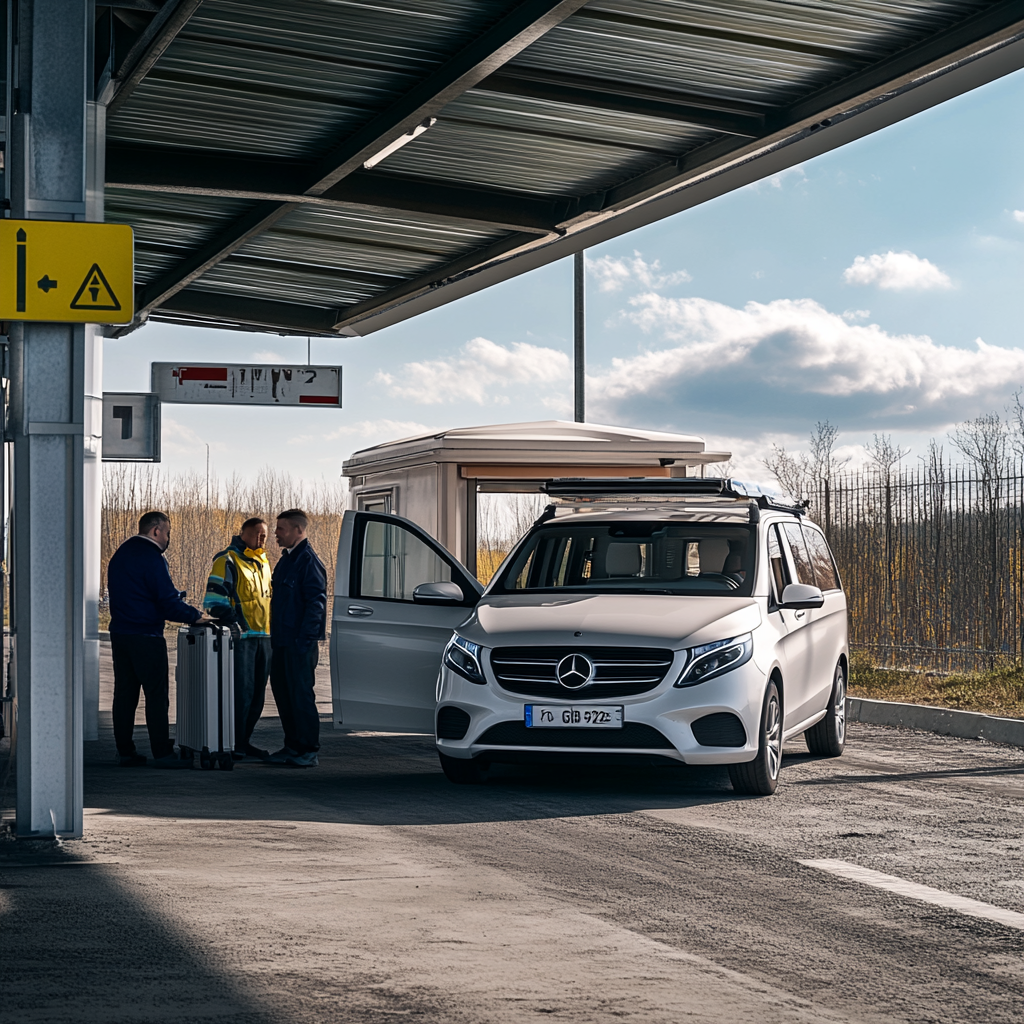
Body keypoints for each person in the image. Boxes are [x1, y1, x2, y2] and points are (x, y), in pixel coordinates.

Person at [107, 510, 205, 768]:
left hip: (120, 634)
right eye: (168, 533)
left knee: (125, 695)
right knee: (156, 695)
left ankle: (125, 751)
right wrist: (196, 616)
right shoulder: (152, 557)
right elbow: (166, 602)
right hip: (146, 636)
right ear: (156, 531)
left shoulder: (121, 553)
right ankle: (163, 752)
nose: (168, 538)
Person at [204, 517, 273, 761]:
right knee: (240, 695)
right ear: (242, 533)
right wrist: (236, 624)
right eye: (256, 534)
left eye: (264, 535)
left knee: (257, 696)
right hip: (241, 639)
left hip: (264, 638)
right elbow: (214, 602)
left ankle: (243, 742)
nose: (261, 539)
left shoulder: (264, 562)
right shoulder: (227, 560)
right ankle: (231, 743)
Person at [267, 508, 327, 768]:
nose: (276, 535)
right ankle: (291, 746)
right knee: (284, 694)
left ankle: (307, 750)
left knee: (301, 696)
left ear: (298, 530)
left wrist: (304, 642)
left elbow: (316, 604)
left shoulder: (308, 562)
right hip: (281, 642)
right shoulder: (287, 560)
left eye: (281, 529)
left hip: (298, 643)